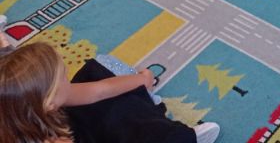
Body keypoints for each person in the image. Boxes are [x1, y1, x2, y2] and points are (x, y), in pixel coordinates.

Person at [0, 36, 220, 143]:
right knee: (121, 114)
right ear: (49, 102)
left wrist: (142, 80)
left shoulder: (32, 102)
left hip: (64, 123)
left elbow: (99, 90)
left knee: (98, 69)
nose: (67, 73)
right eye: (63, 76)